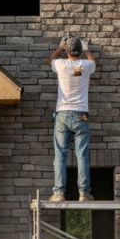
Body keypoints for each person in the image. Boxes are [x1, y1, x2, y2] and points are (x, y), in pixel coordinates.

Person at [48, 35, 96, 202]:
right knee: (82, 154)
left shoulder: (60, 64)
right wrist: (86, 49)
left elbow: (51, 60)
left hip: (62, 114)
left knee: (60, 155)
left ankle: (59, 193)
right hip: (81, 115)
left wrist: (60, 47)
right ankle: (84, 193)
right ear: (79, 51)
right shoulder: (85, 65)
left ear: (67, 51)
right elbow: (93, 61)